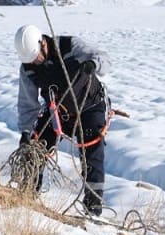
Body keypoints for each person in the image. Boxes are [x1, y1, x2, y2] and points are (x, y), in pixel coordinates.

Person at [14, 24, 109, 215]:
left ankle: (93, 207)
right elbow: (27, 104)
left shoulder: (69, 46)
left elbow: (104, 59)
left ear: (43, 43)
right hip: (58, 111)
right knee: (35, 146)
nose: (36, 62)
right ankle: (27, 196)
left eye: (37, 57)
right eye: (31, 60)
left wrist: (92, 64)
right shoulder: (28, 69)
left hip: (89, 106)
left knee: (92, 151)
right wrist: (26, 132)